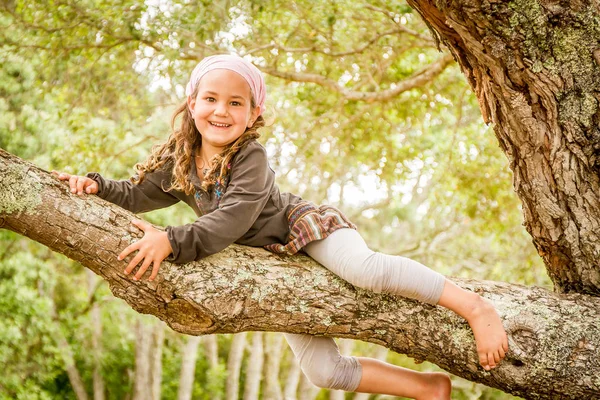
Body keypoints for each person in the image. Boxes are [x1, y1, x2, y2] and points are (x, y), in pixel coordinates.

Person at [55, 54, 508, 399]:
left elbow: (231, 220)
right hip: (276, 260)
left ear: (253, 114)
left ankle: (472, 306)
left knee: (364, 270)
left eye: (236, 103)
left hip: (304, 229)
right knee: (323, 372)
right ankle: (427, 388)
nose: (220, 110)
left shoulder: (251, 157)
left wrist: (171, 241)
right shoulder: (181, 161)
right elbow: (135, 194)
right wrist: (93, 185)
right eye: (210, 99)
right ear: (192, 104)